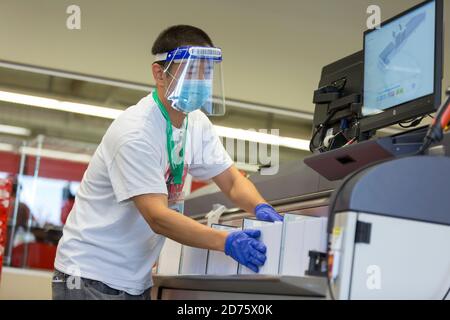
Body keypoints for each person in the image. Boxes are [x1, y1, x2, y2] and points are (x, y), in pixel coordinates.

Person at [53, 25, 283, 300]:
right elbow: (157, 217)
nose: (199, 82)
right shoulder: (136, 132)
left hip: (134, 281)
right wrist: (226, 242)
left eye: (205, 73)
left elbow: (232, 181)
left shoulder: (196, 122)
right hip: (90, 277)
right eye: (190, 72)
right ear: (159, 74)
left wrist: (261, 207)